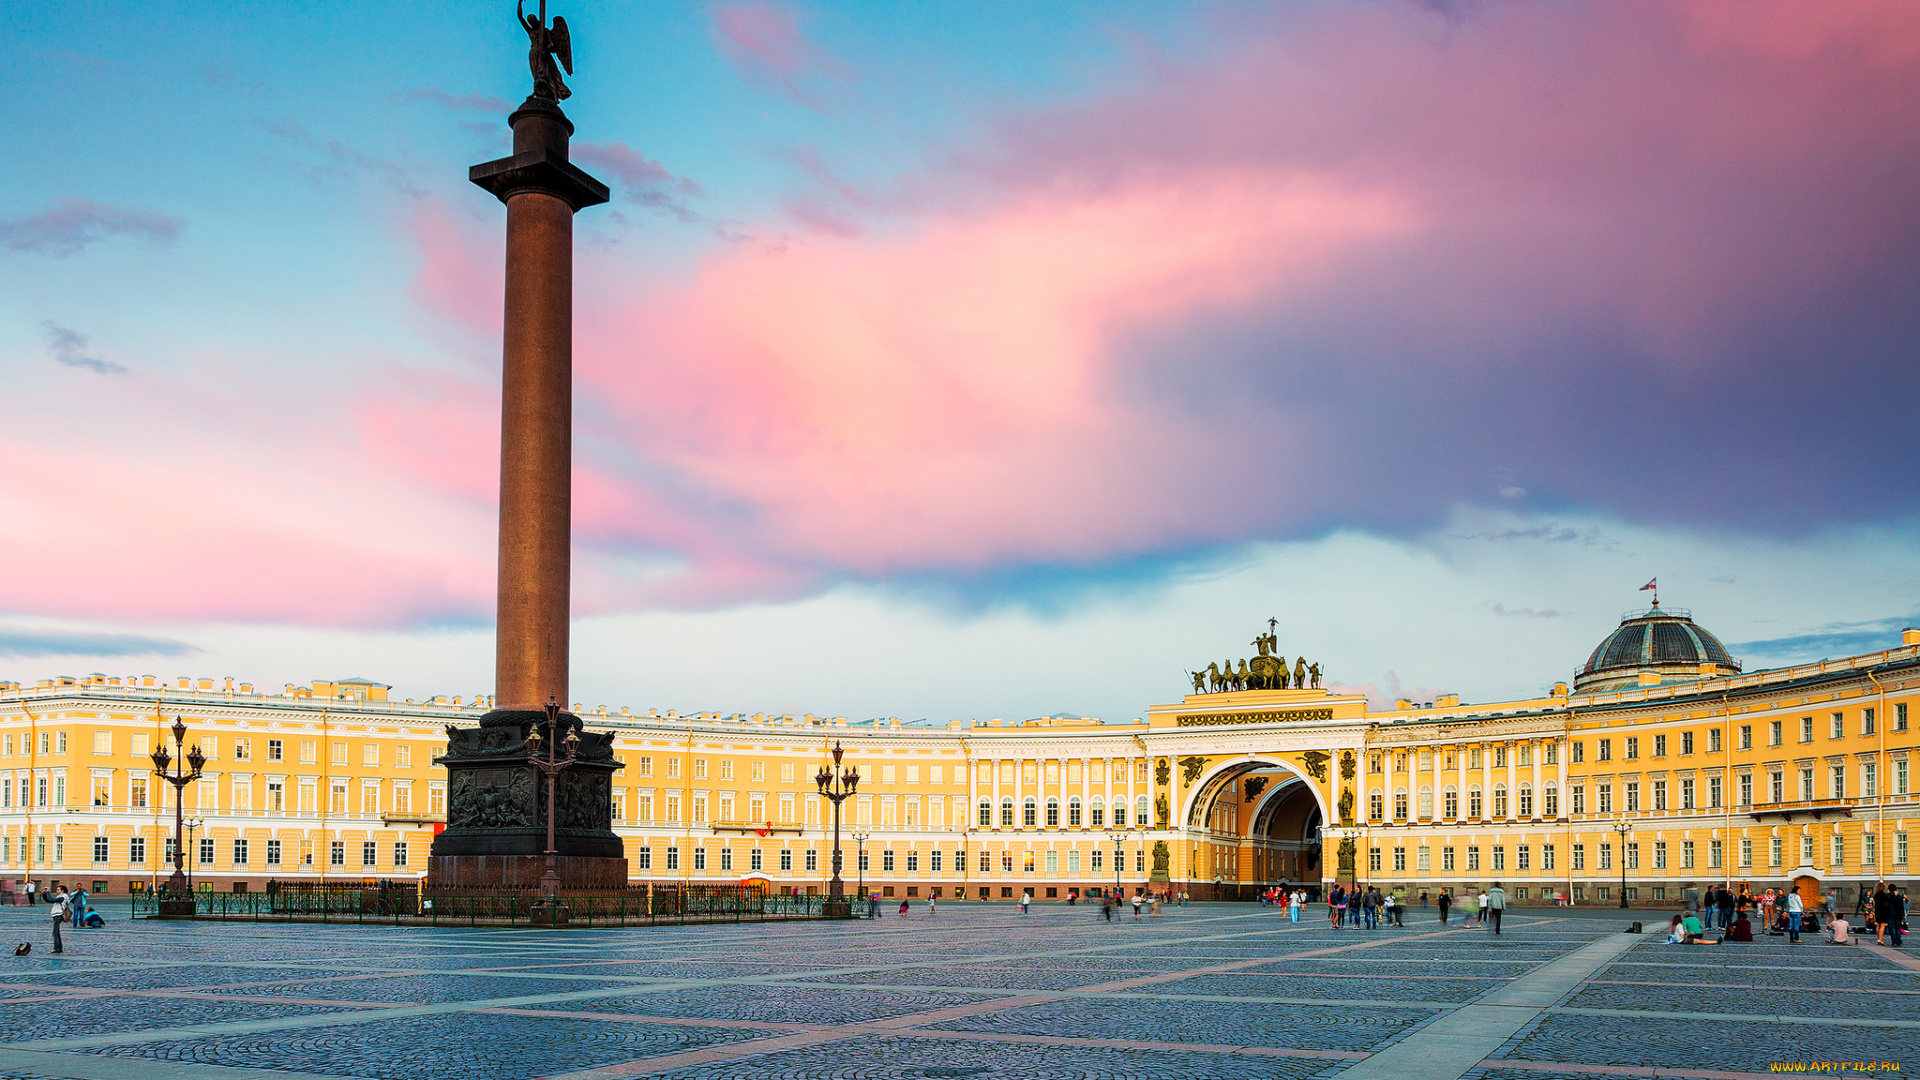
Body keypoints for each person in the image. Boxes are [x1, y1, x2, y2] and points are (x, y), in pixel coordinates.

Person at [47, 888, 68, 954]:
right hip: (56, 915)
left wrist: (48, 892)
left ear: (62, 890)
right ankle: (59, 949)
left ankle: (57, 949)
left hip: (58, 915)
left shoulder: (63, 897)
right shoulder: (60, 896)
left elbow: (51, 900)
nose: (57, 891)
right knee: (57, 933)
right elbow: (48, 900)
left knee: (55, 933)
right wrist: (45, 894)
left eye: (58, 889)